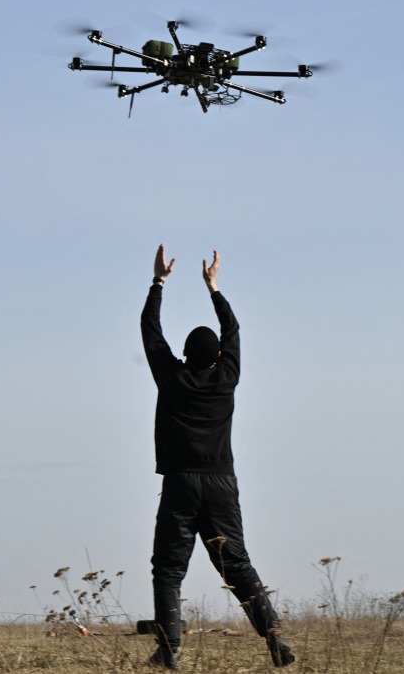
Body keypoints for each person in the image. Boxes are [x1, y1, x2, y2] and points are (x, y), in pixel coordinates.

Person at [141, 244, 296, 670]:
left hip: (181, 484)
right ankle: (275, 636)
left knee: (169, 569)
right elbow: (234, 331)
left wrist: (158, 282)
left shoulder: (171, 378)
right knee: (238, 565)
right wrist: (214, 289)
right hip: (222, 484)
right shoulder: (227, 380)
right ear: (220, 359)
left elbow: (150, 331)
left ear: (186, 356)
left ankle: (170, 650)